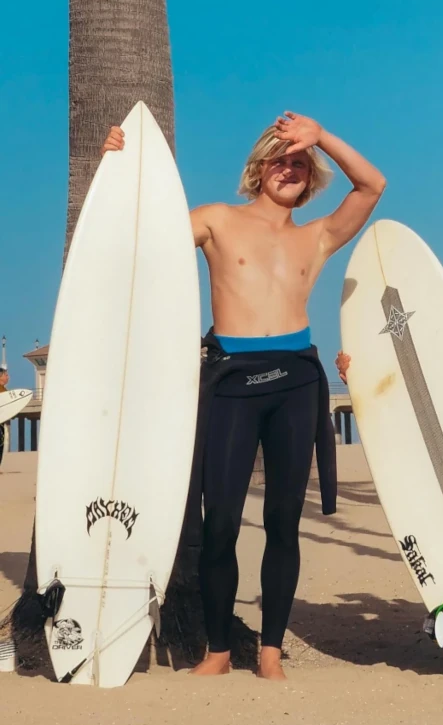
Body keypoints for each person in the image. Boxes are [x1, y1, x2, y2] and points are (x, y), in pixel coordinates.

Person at [102, 112, 386, 679]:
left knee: (284, 521)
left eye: (300, 165)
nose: (290, 169)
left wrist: (321, 136)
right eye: (281, 160)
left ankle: (273, 653)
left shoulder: (318, 235)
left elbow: (373, 185)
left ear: (311, 181)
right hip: (231, 378)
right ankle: (218, 651)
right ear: (258, 169)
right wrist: (113, 164)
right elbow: (139, 235)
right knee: (222, 523)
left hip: (297, 380)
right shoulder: (216, 220)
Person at [0, 365, 9, 471]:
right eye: (6, 375)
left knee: (1, 445)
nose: (8, 377)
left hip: (1, 422)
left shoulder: (4, 390)